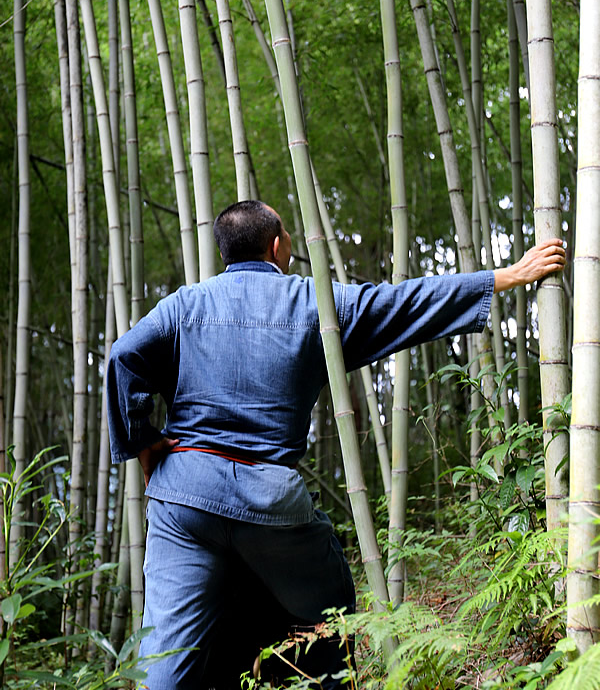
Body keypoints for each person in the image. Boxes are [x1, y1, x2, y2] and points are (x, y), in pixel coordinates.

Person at [106, 200, 565, 689]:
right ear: (277, 244)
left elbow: (122, 355)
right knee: (331, 606)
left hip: (184, 495)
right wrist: (504, 276)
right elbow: (403, 301)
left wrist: (146, 443)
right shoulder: (312, 303)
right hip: (269, 500)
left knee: (167, 659)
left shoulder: (184, 305)